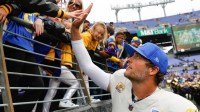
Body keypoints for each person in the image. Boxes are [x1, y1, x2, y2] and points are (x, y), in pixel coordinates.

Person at [70, 3, 198, 112]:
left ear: (152, 70)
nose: (129, 59)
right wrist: (75, 30)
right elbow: (88, 65)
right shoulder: (120, 79)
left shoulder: (178, 106)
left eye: (137, 57)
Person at [1, 11, 44, 112]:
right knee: (11, 88)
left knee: (38, 85)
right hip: (13, 43)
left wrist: (40, 19)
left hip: (28, 48)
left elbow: (44, 13)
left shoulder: (37, 10)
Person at [0, 0, 83, 23]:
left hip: (29, 44)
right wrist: (40, 19)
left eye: (77, 5)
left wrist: (8, 7)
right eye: (71, 3)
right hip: (14, 39)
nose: (73, 6)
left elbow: (22, 5)